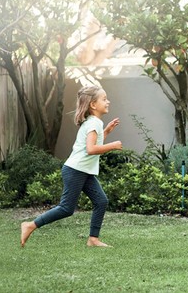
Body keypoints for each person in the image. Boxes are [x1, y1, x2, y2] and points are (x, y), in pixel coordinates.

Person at [20, 85, 122, 248]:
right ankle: (30, 225)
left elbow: (91, 144)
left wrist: (107, 131)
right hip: (76, 170)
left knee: (101, 201)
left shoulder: (93, 122)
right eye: (104, 99)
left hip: (83, 171)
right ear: (93, 105)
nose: (108, 101)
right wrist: (112, 145)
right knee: (66, 208)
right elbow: (91, 149)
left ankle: (93, 239)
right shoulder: (94, 123)